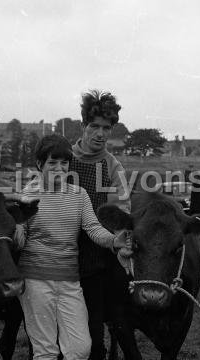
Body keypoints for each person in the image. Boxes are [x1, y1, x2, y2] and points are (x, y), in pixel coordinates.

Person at [14, 134, 131, 360]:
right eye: (52, 162)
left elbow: (92, 227)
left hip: (69, 280)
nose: (59, 168)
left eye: (64, 163)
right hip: (35, 279)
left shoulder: (79, 195)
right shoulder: (28, 196)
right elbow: (20, 240)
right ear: (40, 164)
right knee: (45, 350)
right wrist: (16, 225)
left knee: (80, 348)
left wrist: (113, 242)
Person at [67, 89, 131, 360]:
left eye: (107, 127)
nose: (100, 133)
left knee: (95, 327)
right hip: (61, 253)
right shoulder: (63, 159)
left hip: (96, 256)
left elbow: (122, 211)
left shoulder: (112, 166)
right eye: (94, 126)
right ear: (83, 126)